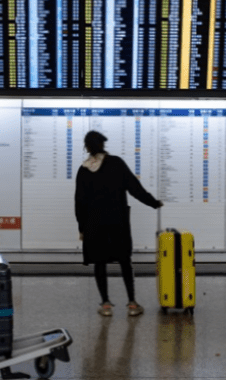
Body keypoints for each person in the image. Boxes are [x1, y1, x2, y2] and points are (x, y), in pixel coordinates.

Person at [75, 131, 163, 317]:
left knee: (100, 262)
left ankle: (106, 305)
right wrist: (153, 202)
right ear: (102, 145)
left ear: (87, 147)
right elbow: (134, 188)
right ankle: (132, 303)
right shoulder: (116, 163)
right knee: (124, 261)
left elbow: (79, 202)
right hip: (117, 222)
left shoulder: (83, 170)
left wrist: (82, 227)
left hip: (94, 224)